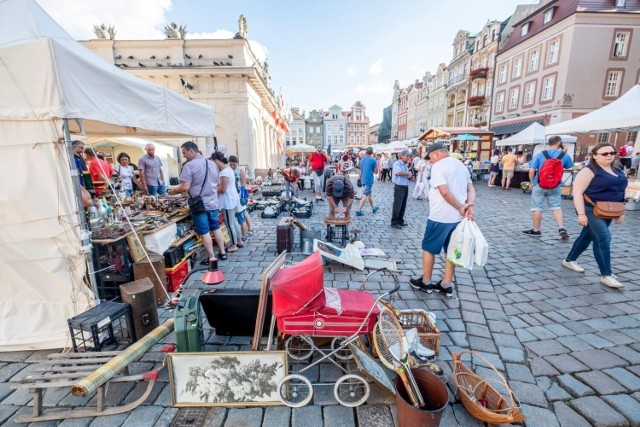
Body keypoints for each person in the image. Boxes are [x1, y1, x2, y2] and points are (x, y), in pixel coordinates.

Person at [410, 142, 475, 298]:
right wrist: (468, 206)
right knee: (451, 250)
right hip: (457, 219)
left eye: (430, 157)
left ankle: (426, 282)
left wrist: (461, 207)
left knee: (429, 248)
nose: (430, 160)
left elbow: (444, 192)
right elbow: (470, 189)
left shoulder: (439, 166)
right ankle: (446, 284)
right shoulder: (461, 166)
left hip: (440, 216)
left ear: (437, 154)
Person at [562, 143, 628, 289]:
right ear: (595, 156)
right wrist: (581, 214)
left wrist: (621, 211)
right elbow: (578, 192)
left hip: (608, 210)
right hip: (590, 209)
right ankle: (607, 275)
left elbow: (620, 191)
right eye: (604, 154)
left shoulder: (617, 170)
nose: (609, 155)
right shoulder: (589, 170)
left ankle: (569, 259)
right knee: (603, 238)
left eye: (612, 153)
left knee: (587, 236)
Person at [169, 141, 226, 264]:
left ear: (191, 151)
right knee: (216, 228)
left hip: (199, 204)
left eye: (184, 152)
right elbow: (216, 183)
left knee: (205, 232)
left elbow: (185, 187)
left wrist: (174, 190)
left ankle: (212, 258)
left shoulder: (189, 166)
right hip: (213, 202)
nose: (183, 155)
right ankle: (222, 252)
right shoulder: (212, 164)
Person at [523, 136, 574, 238]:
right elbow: (569, 166)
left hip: (540, 184)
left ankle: (536, 230)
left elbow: (531, 170)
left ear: (549, 143)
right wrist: (564, 152)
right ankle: (561, 228)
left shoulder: (540, 154)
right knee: (556, 207)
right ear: (559, 143)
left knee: (536, 207)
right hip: (555, 185)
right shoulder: (564, 155)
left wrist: (532, 182)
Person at [211, 151, 243, 253]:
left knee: (230, 224)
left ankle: (234, 245)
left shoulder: (224, 172)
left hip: (227, 201)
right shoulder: (229, 169)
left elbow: (223, 190)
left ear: (217, 160)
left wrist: (213, 190)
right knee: (233, 222)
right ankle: (239, 240)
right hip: (232, 199)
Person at [229, 155, 253, 238]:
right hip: (233, 195)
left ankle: (248, 229)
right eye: (231, 164)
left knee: (243, 213)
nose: (232, 166)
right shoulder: (228, 170)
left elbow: (243, 184)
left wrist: (242, 196)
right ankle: (248, 229)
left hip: (240, 195)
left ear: (237, 163)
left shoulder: (240, 170)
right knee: (243, 212)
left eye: (234, 165)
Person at [390, 150, 412, 229]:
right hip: (399, 186)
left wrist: (409, 175)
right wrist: (408, 173)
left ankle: (400, 220)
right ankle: (394, 222)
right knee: (397, 205)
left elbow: (405, 174)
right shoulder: (397, 163)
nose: (408, 157)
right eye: (407, 156)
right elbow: (398, 173)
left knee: (403, 205)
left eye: (409, 156)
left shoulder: (405, 165)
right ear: (401, 156)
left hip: (405, 185)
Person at [355, 147, 380, 216]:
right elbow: (376, 171)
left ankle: (373, 208)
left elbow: (360, 170)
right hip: (369, 179)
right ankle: (359, 210)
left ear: (366, 152)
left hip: (363, 179)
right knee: (365, 194)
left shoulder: (362, 160)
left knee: (369, 194)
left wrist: (359, 178)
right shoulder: (373, 160)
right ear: (372, 153)